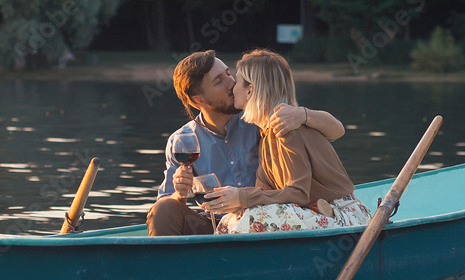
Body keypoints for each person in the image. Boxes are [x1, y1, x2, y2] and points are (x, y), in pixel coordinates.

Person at [147, 50, 346, 236]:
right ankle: (167, 266)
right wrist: (180, 195)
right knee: (163, 209)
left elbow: (336, 130)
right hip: (216, 224)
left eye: (228, 73)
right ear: (198, 101)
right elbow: (168, 202)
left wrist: (303, 114)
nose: (231, 83)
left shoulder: (259, 118)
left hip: (267, 215)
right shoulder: (182, 141)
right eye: (219, 81)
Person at [201, 49, 371, 234]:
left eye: (237, 80)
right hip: (316, 213)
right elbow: (263, 192)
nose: (232, 87)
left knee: (253, 219)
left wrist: (242, 196)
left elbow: (299, 193)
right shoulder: (266, 133)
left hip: (344, 215)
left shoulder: (286, 128)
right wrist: (234, 201)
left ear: (250, 90)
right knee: (235, 217)